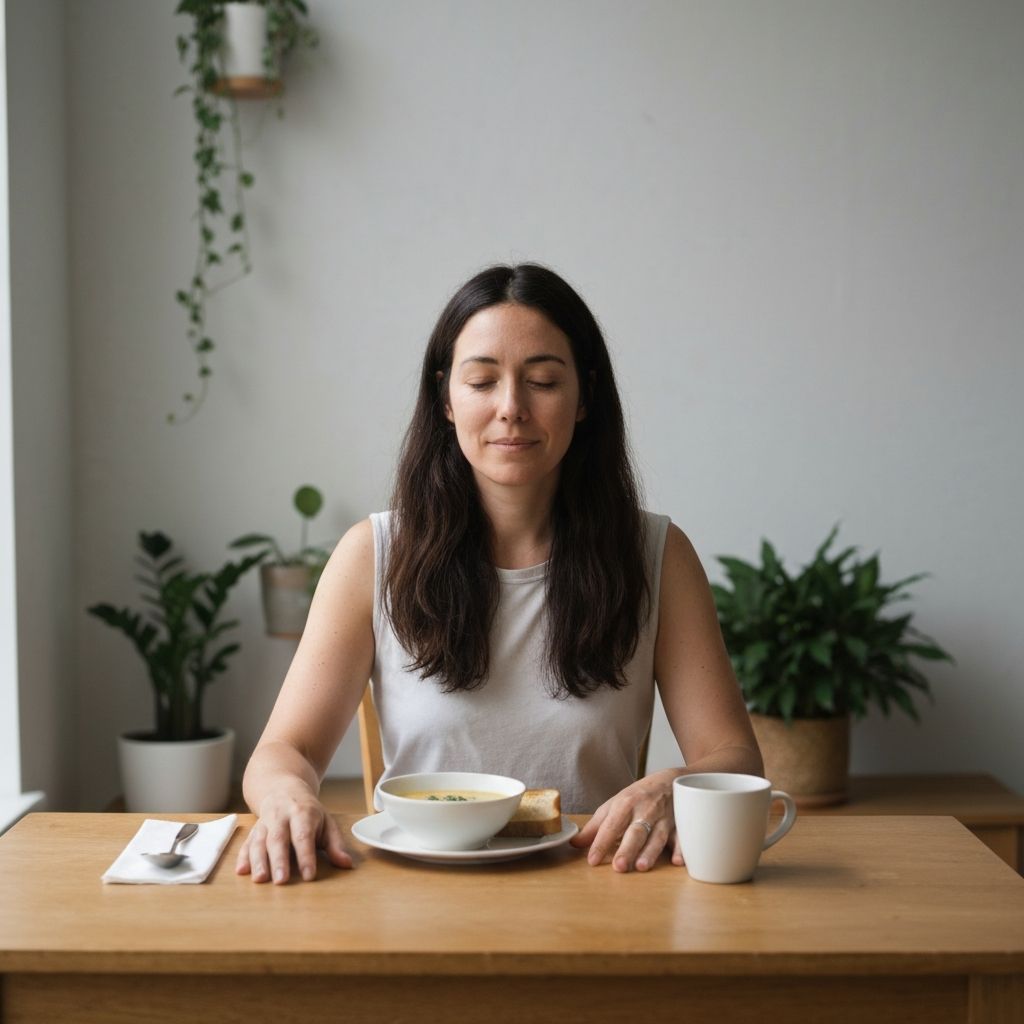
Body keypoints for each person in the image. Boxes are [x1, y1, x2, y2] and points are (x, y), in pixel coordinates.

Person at [236, 262, 762, 885]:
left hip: (599, 889)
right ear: (446, 399)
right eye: (482, 381)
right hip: (414, 894)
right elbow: (284, 751)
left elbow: (734, 756)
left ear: (585, 397)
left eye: (542, 381)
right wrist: (286, 796)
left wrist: (676, 784)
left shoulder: (658, 555)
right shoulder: (371, 555)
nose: (511, 408)